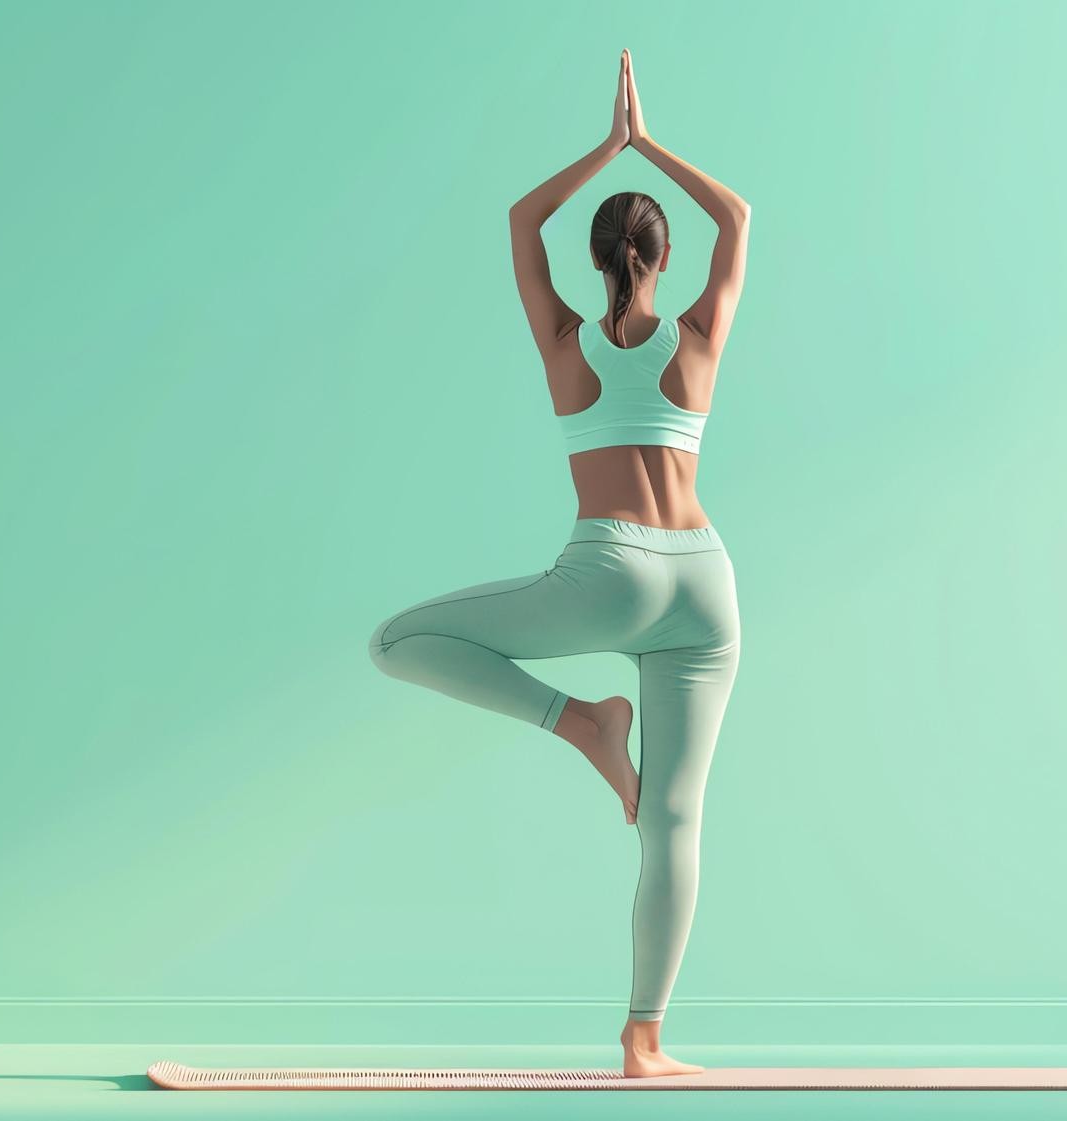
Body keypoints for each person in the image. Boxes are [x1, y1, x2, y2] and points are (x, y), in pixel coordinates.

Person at [367, 48, 749, 1079]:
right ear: (660, 258)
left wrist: (605, 146)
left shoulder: (563, 339)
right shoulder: (698, 336)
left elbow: (514, 225)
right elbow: (739, 219)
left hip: (612, 572)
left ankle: (578, 720)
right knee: (672, 817)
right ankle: (644, 1040)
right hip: (706, 583)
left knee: (397, 641)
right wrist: (653, 143)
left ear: (596, 259)